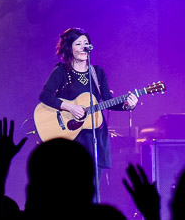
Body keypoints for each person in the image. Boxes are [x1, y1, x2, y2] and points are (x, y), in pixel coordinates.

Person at [37, 27, 137, 172]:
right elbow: (45, 95)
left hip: (94, 136)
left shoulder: (97, 72)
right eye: (78, 43)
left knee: (92, 187)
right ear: (69, 48)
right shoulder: (61, 71)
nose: (84, 46)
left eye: (86, 42)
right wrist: (70, 107)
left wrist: (128, 105)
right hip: (71, 136)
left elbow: (108, 100)